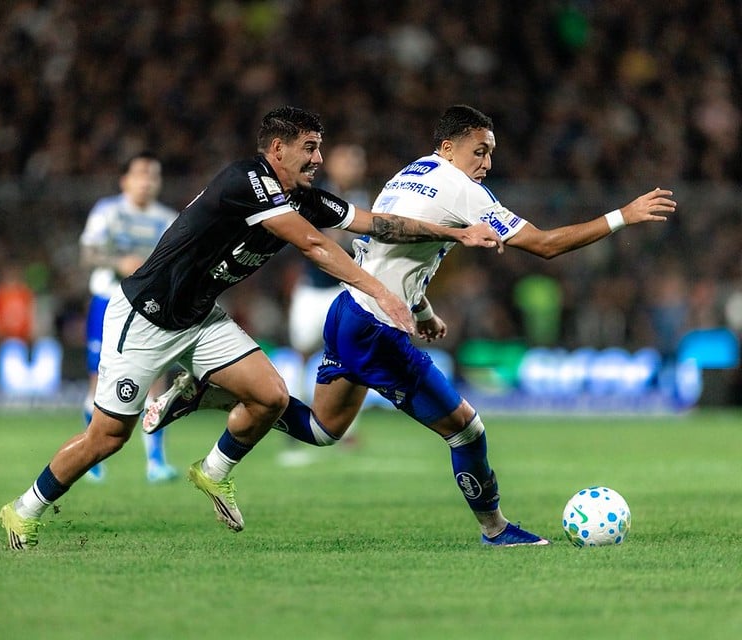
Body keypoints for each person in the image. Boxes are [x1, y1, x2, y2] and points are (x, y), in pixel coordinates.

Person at [143, 104, 676, 546]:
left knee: (324, 431)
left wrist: (421, 310)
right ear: (449, 148)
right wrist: (621, 217)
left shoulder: (411, 174)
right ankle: (495, 529)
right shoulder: (461, 189)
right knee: (466, 428)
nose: (487, 162)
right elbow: (544, 246)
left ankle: (208, 393)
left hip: (350, 312)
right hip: (376, 325)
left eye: (492, 153)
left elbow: (397, 249)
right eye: (479, 150)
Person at [0, 105, 502, 549]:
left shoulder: (301, 194)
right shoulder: (247, 182)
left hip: (199, 317)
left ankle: (211, 461)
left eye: (320, 148)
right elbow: (315, 247)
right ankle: (24, 508)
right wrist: (382, 290)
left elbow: (377, 223)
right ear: (278, 149)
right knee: (107, 437)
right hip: (144, 317)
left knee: (272, 397)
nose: (318, 159)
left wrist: (454, 231)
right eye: (310, 148)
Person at [78, 151, 179, 483]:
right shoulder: (108, 212)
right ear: (125, 180)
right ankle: (91, 458)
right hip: (108, 302)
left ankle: (156, 462)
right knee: (99, 380)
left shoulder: (167, 218)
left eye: (153, 176)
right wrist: (118, 262)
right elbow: (88, 254)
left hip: (148, 306)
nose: (147, 182)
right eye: (140, 175)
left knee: (157, 380)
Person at [279, 143, 370, 467]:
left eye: (357, 159)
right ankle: (293, 429)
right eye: (349, 157)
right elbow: (320, 243)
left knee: (351, 356)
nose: (355, 164)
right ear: (333, 163)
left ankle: (347, 430)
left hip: (343, 290)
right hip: (312, 290)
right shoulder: (314, 195)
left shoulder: (363, 199)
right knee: (302, 355)